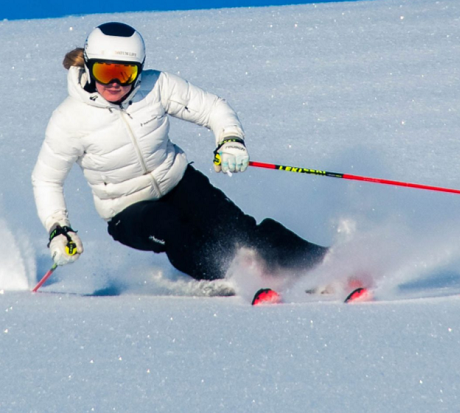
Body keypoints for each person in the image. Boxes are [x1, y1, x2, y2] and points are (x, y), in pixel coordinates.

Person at [32, 22, 326, 284]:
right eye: (104, 71)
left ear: (139, 69)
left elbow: (212, 108)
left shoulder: (156, 86)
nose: (115, 83)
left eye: (124, 73)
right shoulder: (69, 119)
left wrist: (230, 140)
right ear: (89, 66)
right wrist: (59, 230)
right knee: (172, 227)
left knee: (238, 232)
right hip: (126, 210)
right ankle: (237, 277)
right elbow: (47, 179)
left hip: (179, 182)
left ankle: (322, 263)